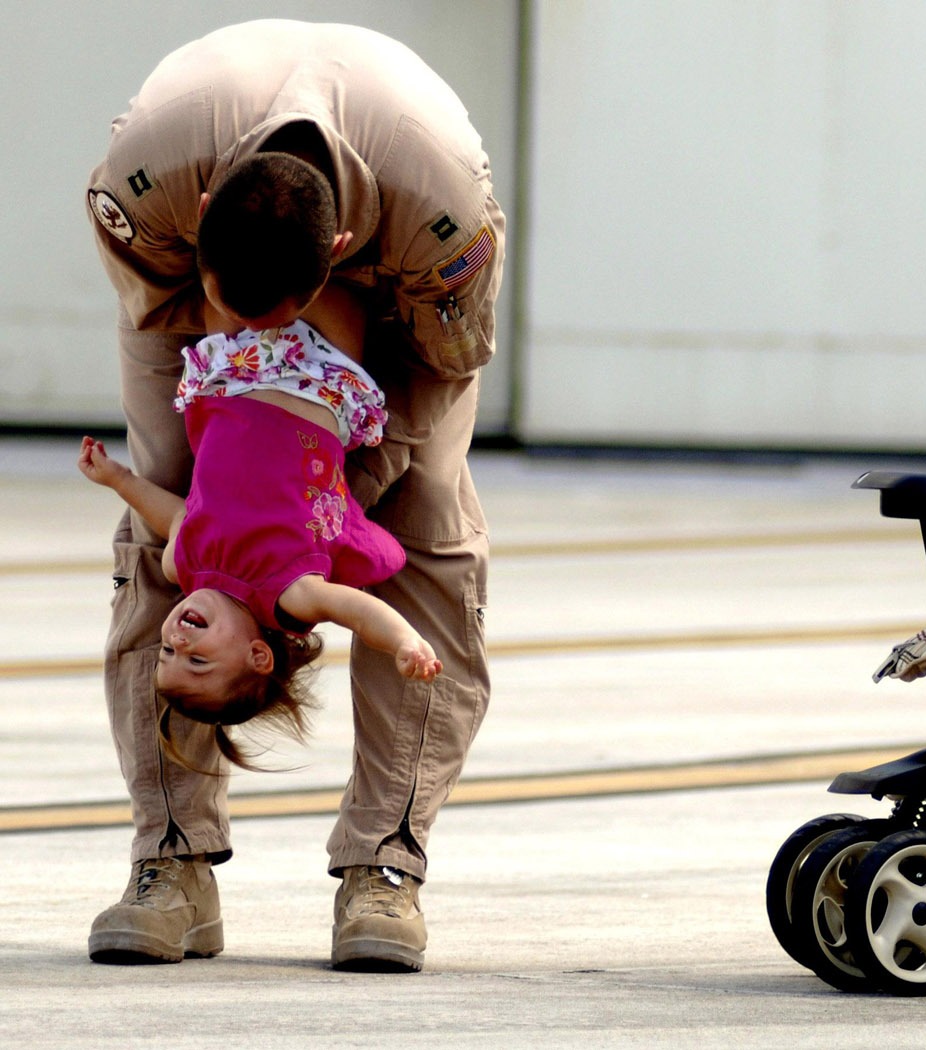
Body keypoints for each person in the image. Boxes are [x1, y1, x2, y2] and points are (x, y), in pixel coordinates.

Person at [85, 19, 503, 973]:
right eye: (244, 307)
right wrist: (214, 480)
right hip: (197, 308)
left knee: (432, 533)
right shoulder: (145, 183)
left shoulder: (441, 218)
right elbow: (159, 314)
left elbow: (440, 366)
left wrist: (327, 511)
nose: (268, 330)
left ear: (338, 254)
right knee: (160, 535)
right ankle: (171, 861)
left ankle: (383, 865)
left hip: (402, 296)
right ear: (201, 219)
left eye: (279, 313)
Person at [77, 288, 442, 760]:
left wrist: (119, 480)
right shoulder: (290, 594)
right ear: (258, 656)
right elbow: (358, 612)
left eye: (168, 653)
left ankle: (245, 231)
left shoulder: (183, 566)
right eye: (198, 659)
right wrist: (404, 641)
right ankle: (316, 253)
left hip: (232, 377)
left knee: (228, 288)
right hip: (317, 382)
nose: (177, 639)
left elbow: (179, 516)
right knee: (327, 292)